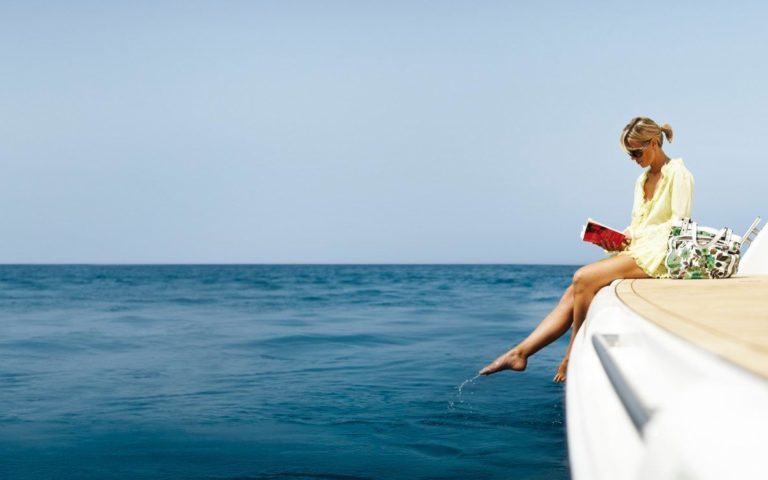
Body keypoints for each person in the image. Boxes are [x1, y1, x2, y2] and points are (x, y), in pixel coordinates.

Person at [479, 117, 695, 382]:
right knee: (574, 290)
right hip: (639, 249)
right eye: (629, 155)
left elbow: (680, 226)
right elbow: (639, 223)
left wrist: (635, 237)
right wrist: (619, 238)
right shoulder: (642, 179)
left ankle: (572, 354)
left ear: (653, 143)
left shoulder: (679, 174)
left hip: (661, 254)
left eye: (636, 152)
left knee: (583, 277)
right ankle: (520, 353)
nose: (633, 159)